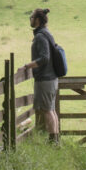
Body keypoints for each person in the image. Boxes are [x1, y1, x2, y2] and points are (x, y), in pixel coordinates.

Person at [26, 7, 60, 144]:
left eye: (32, 17)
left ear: (38, 20)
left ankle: (53, 142)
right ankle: (55, 140)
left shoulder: (40, 36)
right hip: (50, 78)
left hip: (45, 79)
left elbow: (44, 58)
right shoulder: (46, 33)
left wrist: (29, 65)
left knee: (47, 110)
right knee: (51, 109)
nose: (30, 20)